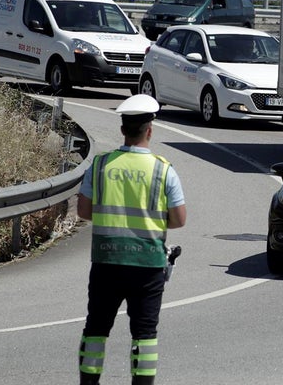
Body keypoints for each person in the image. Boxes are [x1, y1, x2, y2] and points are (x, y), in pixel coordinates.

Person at [76, 94, 187, 385]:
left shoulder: (100, 165)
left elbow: (84, 211)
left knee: (96, 329)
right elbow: (179, 219)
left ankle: (88, 382)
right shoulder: (163, 170)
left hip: (106, 260)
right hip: (147, 264)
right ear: (149, 130)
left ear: (122, 129)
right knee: (145, 334)